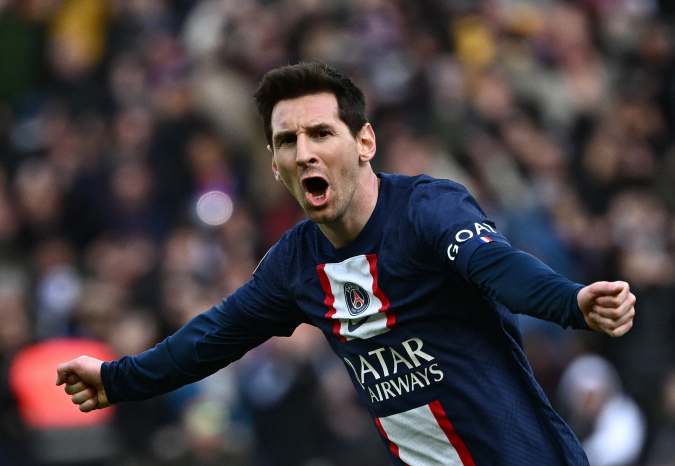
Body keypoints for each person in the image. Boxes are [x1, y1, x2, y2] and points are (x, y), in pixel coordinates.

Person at [56, 62, 636, 465]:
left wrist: (571, 302)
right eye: (288, 141)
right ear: (275, 164)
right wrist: (117, 379)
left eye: (320, 133)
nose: (304, 152)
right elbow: (211, 337)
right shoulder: (293, 266)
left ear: (364, 143)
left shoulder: (427, 210)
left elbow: (499, 266)